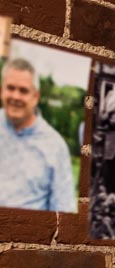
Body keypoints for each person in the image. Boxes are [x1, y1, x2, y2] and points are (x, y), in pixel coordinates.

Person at [0, 58, 75, 211]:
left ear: (35, 97)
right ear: (2, 91)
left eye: (23, 91)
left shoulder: (56, 147)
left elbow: (63, 211)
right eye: (10, 88)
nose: (15, 96)